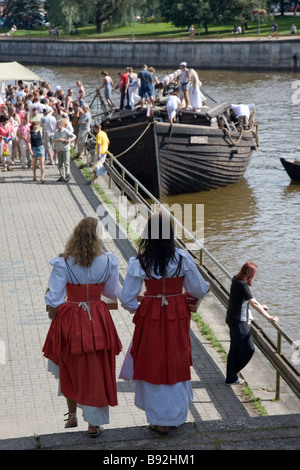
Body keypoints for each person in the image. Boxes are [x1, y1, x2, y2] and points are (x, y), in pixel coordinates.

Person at [119, 212, 210, 435]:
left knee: (151, 361)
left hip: (150, 314)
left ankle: (158, 419)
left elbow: (126, 297)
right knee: (175, 360)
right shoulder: (182, 258)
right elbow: (199, 289)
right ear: (170, 234)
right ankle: (174, 417)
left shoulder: (140, 261)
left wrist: (141, 309)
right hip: (176, 314)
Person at [42, 217, 122, 437]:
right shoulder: (108, 261)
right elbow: (112, 293)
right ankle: (94, 423)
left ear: (75, 235)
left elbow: (55, 299)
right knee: (96, 368)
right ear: (98, 238)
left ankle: (72, 413)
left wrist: (59, 299)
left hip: (71, 318)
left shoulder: (63, 262)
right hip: (98, 317)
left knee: (69, 364)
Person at [225, 262, 279, 385]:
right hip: (239, 321)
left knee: (234, 348)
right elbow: (253, 303)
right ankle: (233, 373)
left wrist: (261, 306)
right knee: (249, 349)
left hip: (232, 319)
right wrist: (269, 317)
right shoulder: (242, 284)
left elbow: (250, 299)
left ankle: (231, 377)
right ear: (250, 274)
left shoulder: (235, 279)